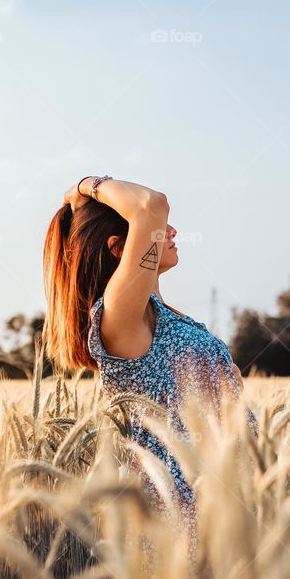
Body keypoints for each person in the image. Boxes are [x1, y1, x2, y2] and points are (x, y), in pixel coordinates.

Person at [42, 174, 259, 559]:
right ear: (118, 248)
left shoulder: (159, 317)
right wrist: (84, 186)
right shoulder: (120, 318)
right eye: (157, 231)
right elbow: (151, 205)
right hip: (181, 519)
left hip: (229, 505)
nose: (170, 230)